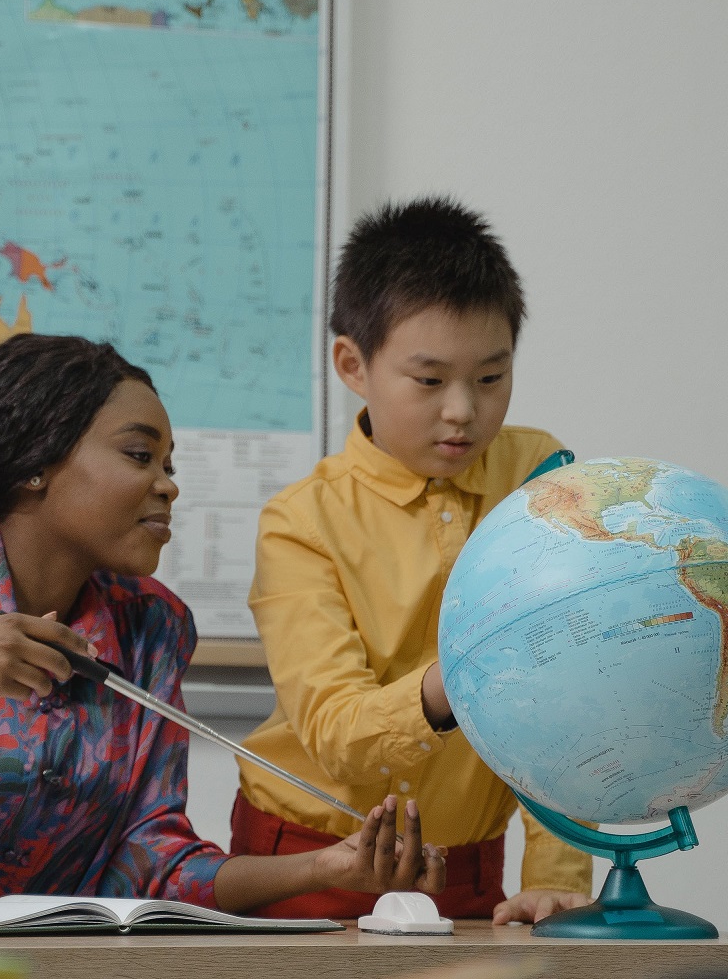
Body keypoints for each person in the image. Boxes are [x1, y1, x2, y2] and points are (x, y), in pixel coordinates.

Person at [0, 334, 443, 921]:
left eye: (170, 465)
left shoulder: (153, 627)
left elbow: (152, 865)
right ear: (34, 465)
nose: (169, 485)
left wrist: (327, 867)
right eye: (140, 456)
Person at [233, 197, 593, 924]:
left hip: (468, 868)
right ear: (352, 364)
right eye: (429, 381)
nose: (463, 410)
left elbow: (562, 703)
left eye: (491, 378)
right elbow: (337, 734)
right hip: (313, 859)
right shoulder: (300, 524)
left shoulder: (539, 477)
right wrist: (461, 679)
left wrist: (555, 878)